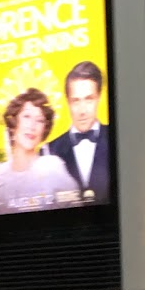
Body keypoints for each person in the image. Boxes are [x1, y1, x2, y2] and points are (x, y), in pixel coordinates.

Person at [0, 89, 81, 216]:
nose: (32, 126)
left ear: (44, 128)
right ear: (13, 123)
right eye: (27, 116)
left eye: (39, 120)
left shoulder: (53, 170)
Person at [47, 61, 111, 205]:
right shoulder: (49, 151)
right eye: (76, 101)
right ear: (67, 102)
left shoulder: (119, 138)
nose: (82, 111)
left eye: (89, 99)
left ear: (99, 98)